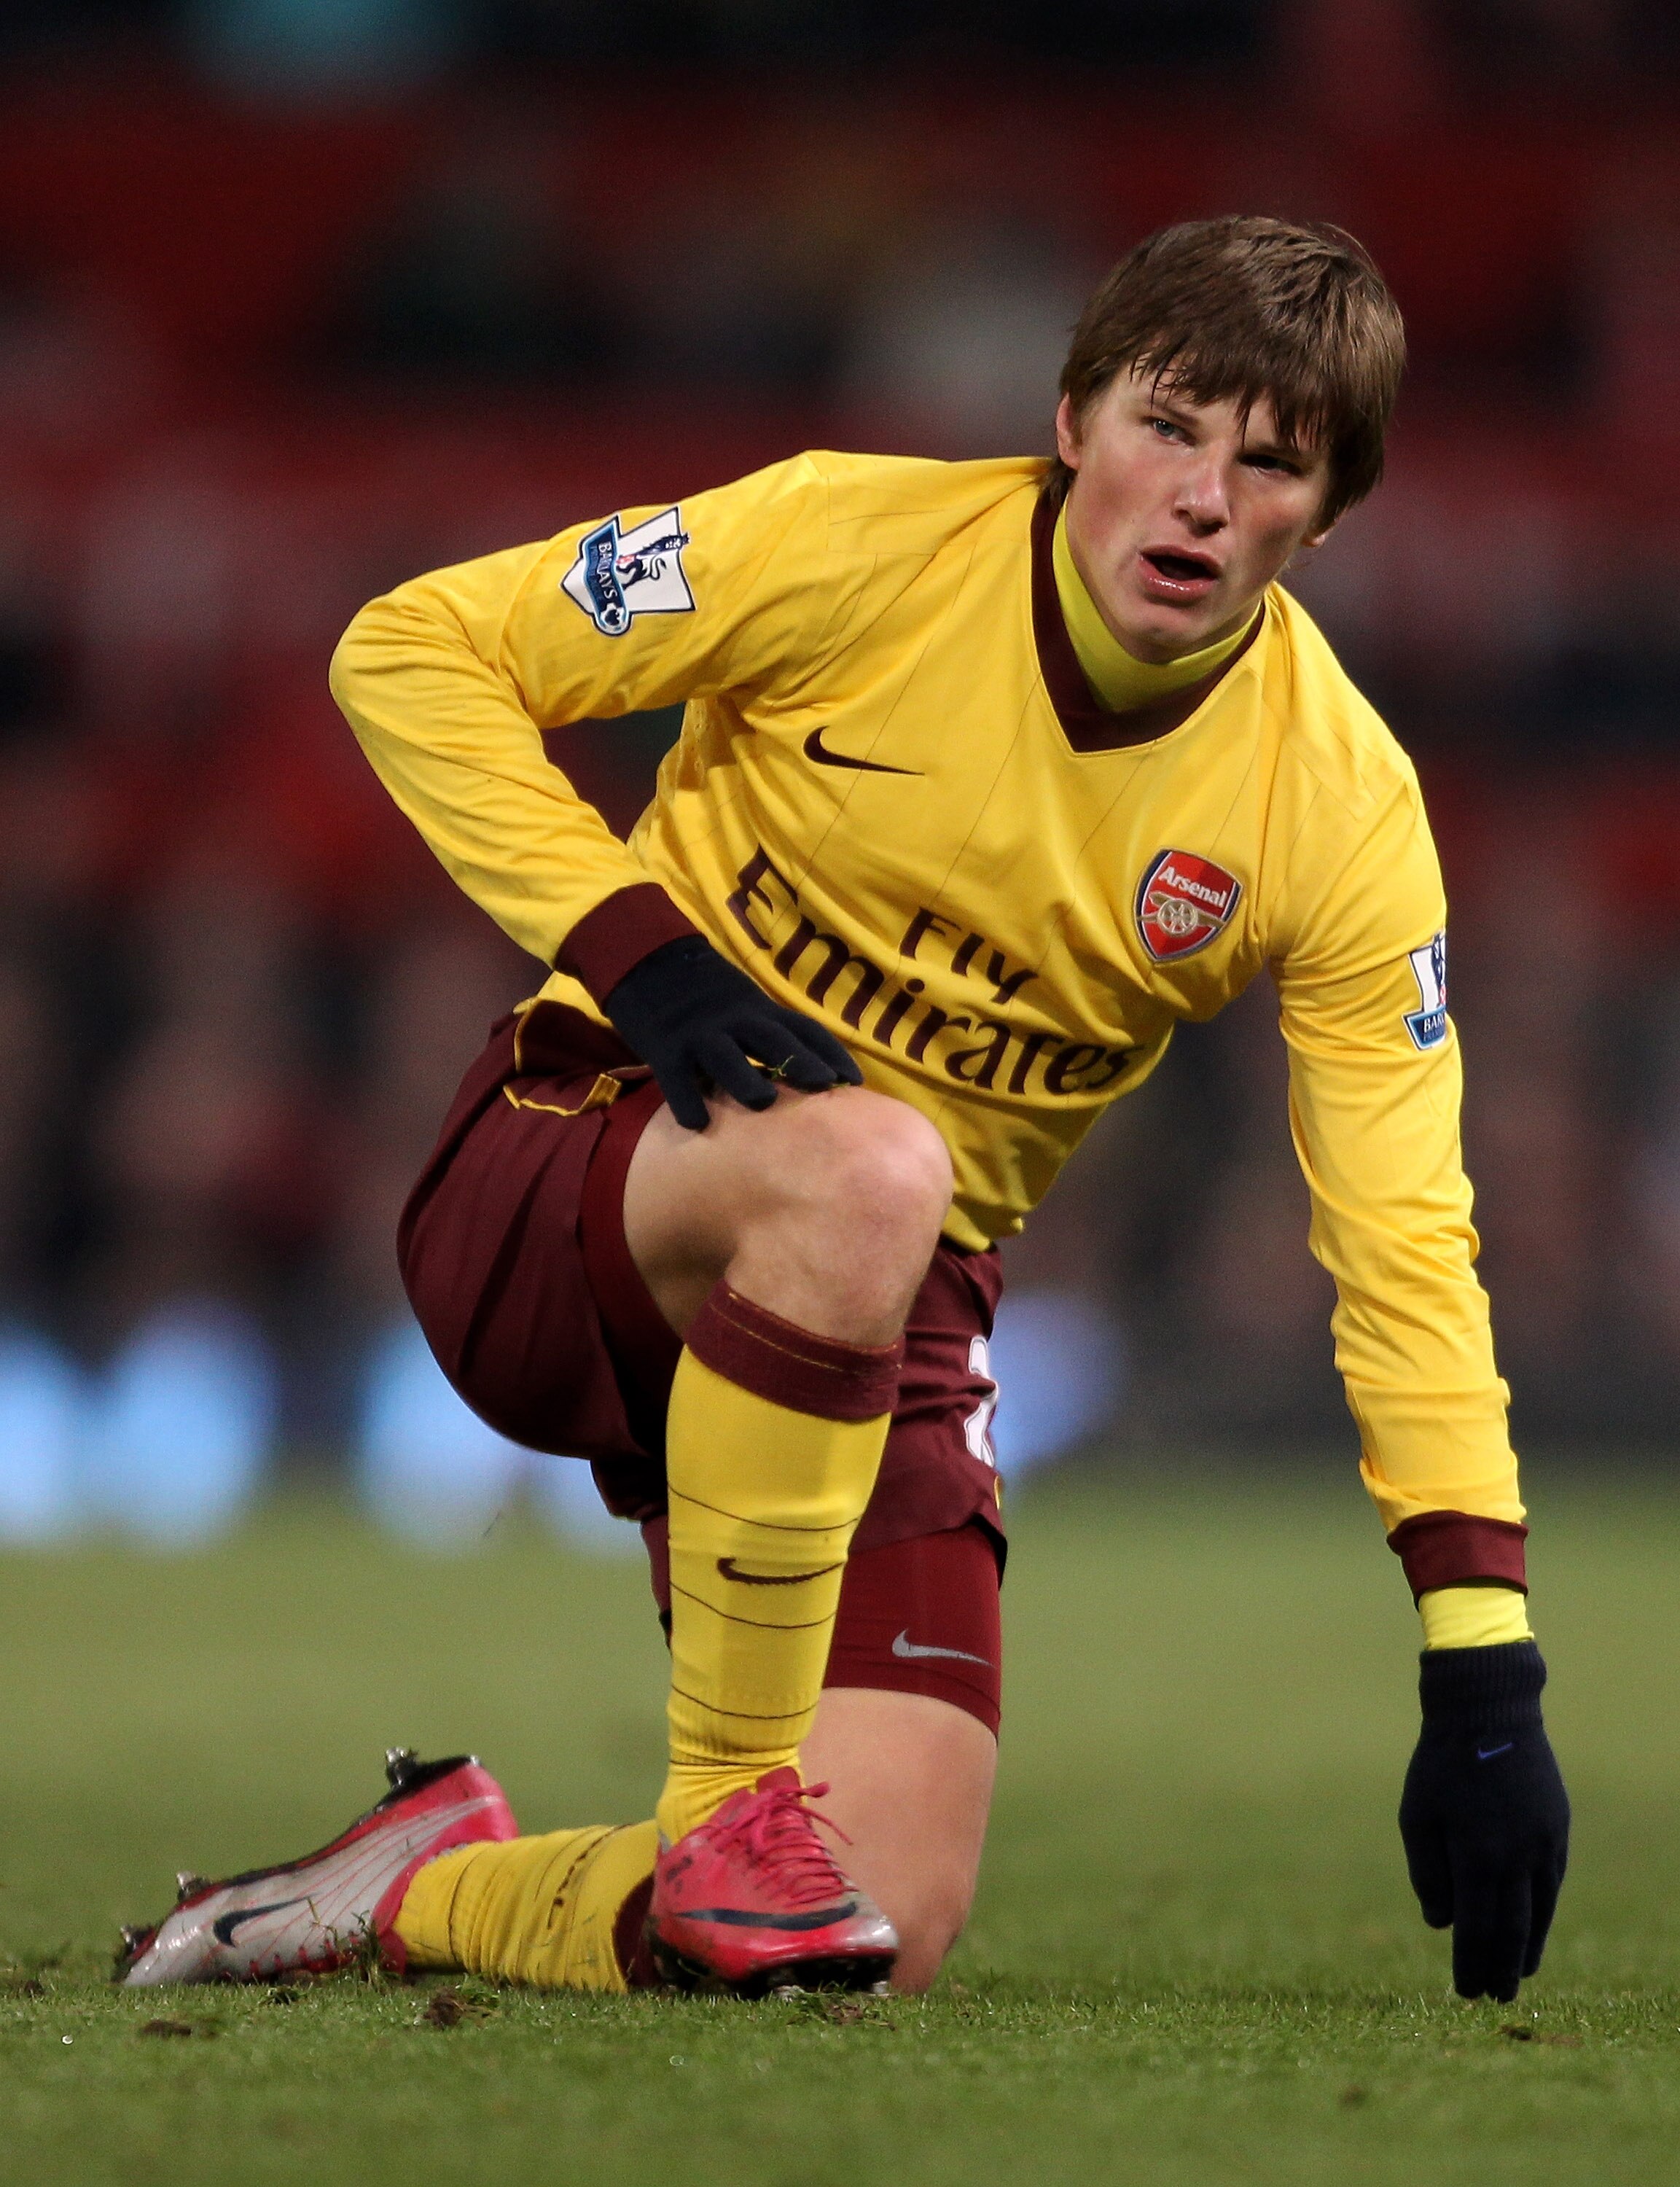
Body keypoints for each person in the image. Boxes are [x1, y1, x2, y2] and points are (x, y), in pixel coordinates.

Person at [118, 215, 1568, 2005]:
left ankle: (411, 1892)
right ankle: (730, 1799)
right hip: (577, 1173)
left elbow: (1403, 1231)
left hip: (877, 1310)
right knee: (881, 1160)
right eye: (1166, 427)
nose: (1199, 496)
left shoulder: (1336, 810)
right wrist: (635, 947)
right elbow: (410, 650)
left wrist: (1479, 1659)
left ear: (1323, 519)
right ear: (1069, 421)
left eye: (1267, 463)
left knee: (867, 1937)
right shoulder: (845, 539)